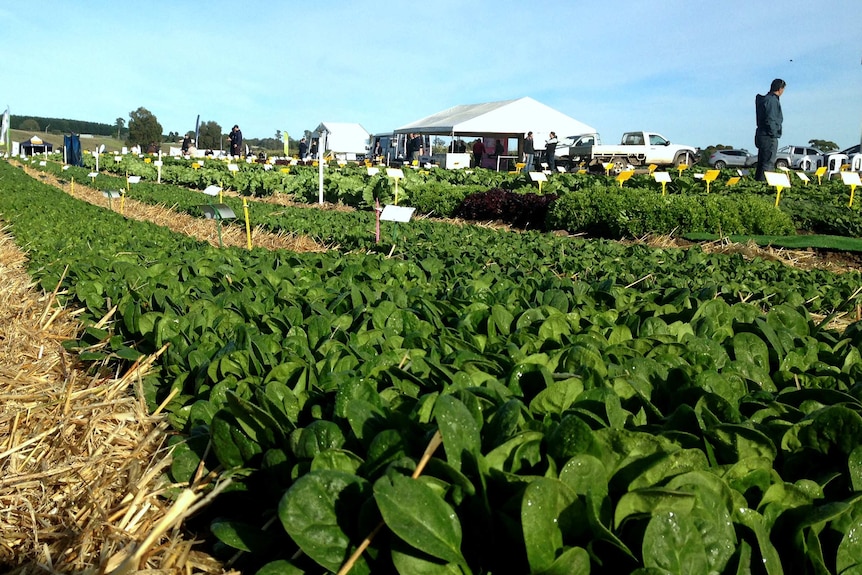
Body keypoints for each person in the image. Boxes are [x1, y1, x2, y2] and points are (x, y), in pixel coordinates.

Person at [754, 78, 785, 181]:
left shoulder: (765, 99)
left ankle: (758, 184)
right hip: (768, 136)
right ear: (780, 89)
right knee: (768, 163)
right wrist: (774, 133)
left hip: (761, 134)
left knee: (762, 162)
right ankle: (764, 186)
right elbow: (770, 118)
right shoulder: (772, 100)